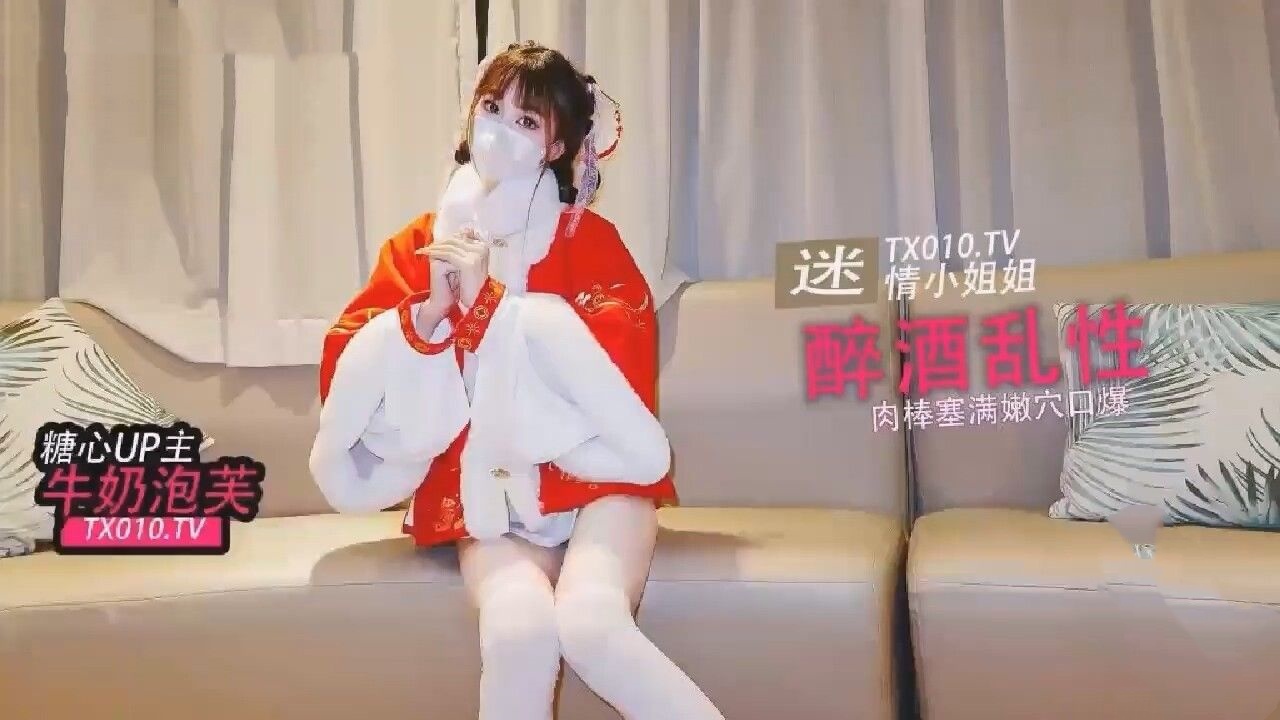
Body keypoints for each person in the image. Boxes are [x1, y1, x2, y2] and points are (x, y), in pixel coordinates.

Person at [308, 41, 725, 720]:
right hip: (483, 492)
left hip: (597, 481)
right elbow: (347, 367)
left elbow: (615, 380)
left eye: (527, 121)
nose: (501, 130)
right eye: (492, 108)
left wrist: (493, 309)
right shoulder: (421, 246)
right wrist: (428, 316)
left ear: (557, 146)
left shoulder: (592, 243)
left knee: (592, 625)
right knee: (518, 629)